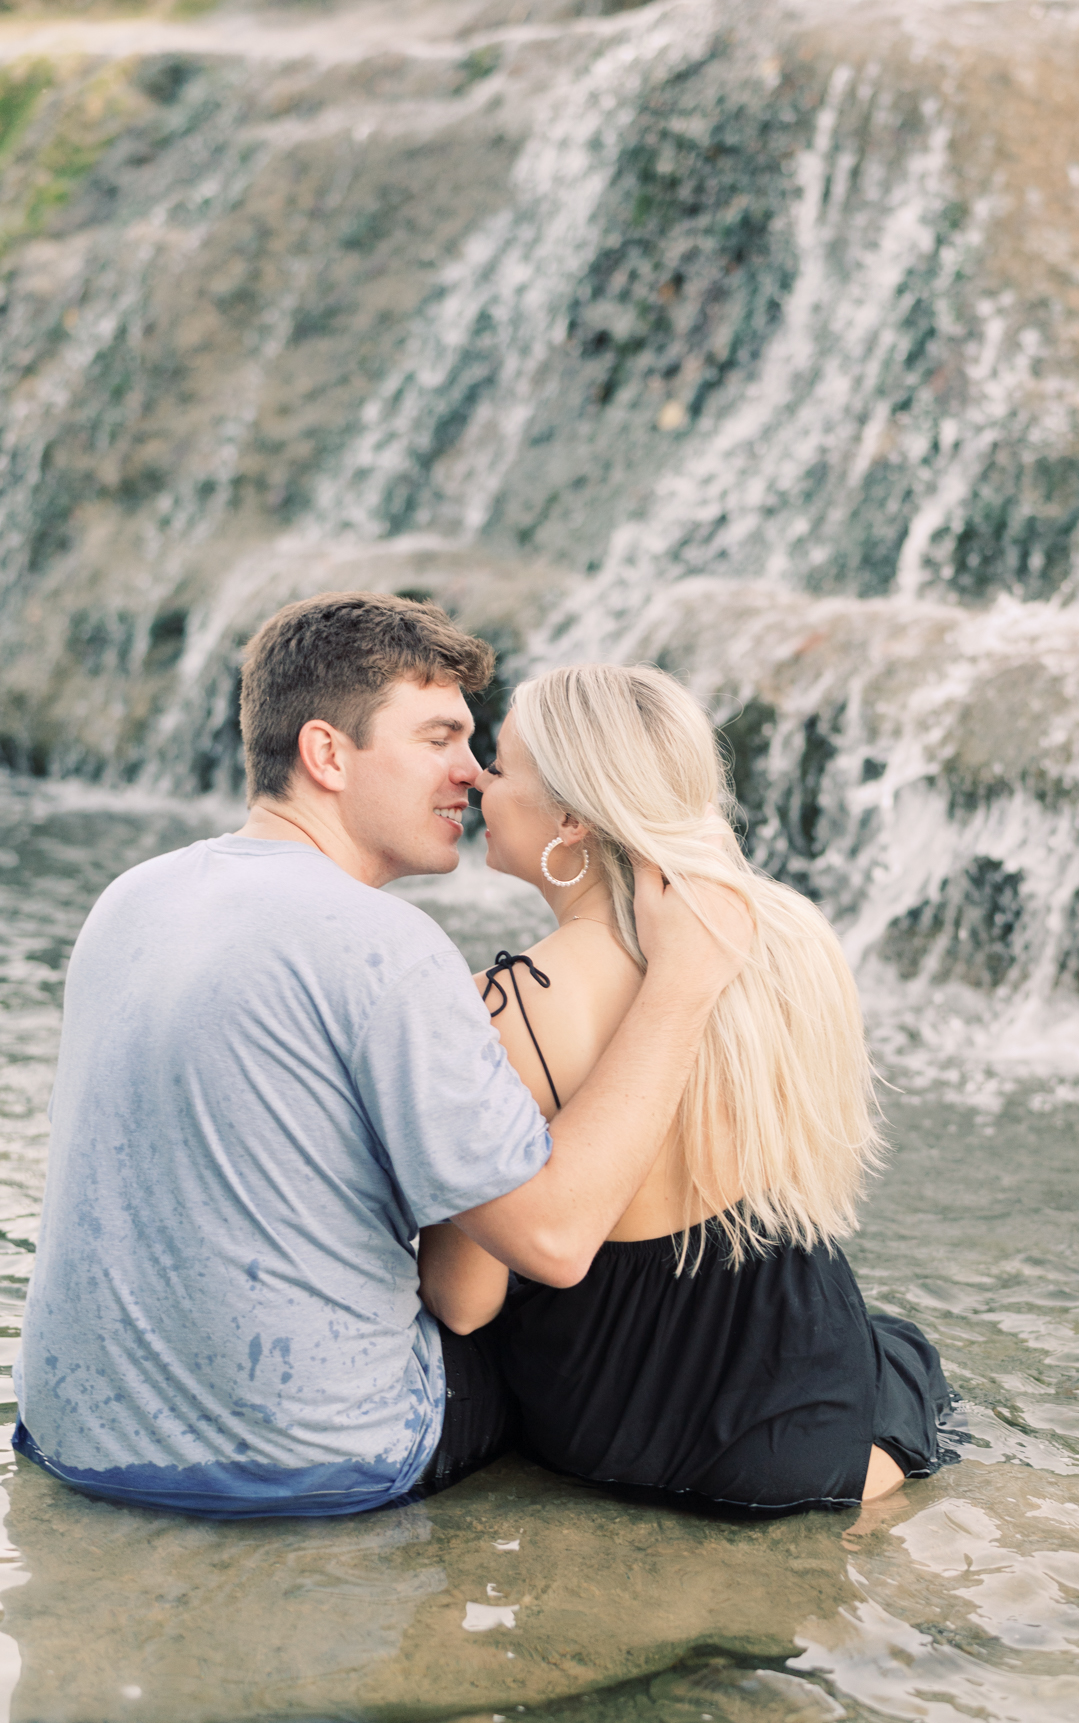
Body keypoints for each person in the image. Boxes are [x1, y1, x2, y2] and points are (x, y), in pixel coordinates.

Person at [11, 594, 749, 1518]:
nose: (473, 775)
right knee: (591, 1325)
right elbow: (554, 1243)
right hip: (317, 1457)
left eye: (475, 745)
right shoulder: (385, 945)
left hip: (80, 1435)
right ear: (327, 754)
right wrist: (681, 985)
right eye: (440, 737)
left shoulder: (133, 895)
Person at [419, 664, 955, 1514]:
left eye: (502, 765)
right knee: (903, 1356)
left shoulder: (508, 1006)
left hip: (623, 1416)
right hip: (805, 1377)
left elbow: (464, 1300)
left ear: (571, 818)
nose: (480, 780)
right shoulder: (782, 941)